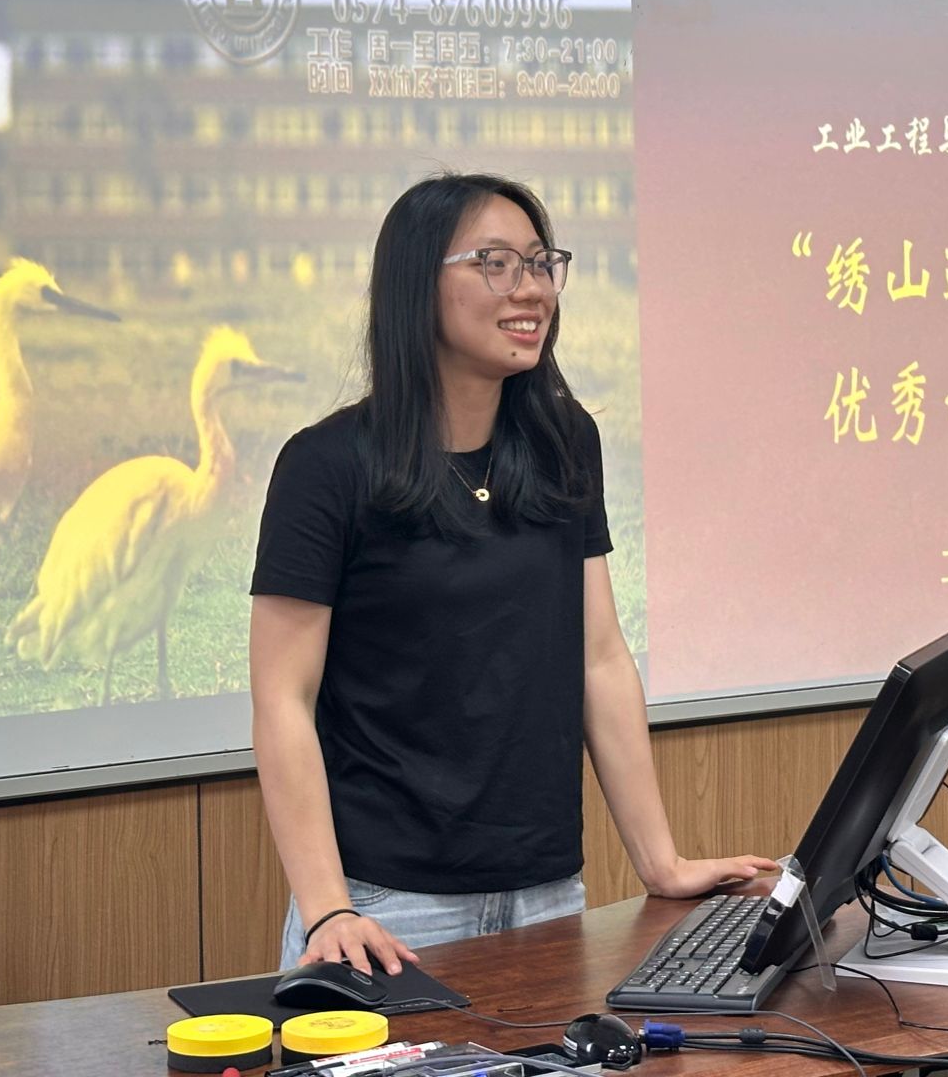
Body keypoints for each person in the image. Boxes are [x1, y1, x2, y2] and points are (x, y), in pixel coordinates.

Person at [250, 172, 776, 976]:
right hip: (385, 909)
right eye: (494, 263)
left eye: (540, 263)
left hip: (547, 895)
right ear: (416, 284)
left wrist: (661, 862)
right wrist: (328, 907)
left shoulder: (565, 444)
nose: (530, 289)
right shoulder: (327, 466)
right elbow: (283, 699)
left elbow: (599, 657)